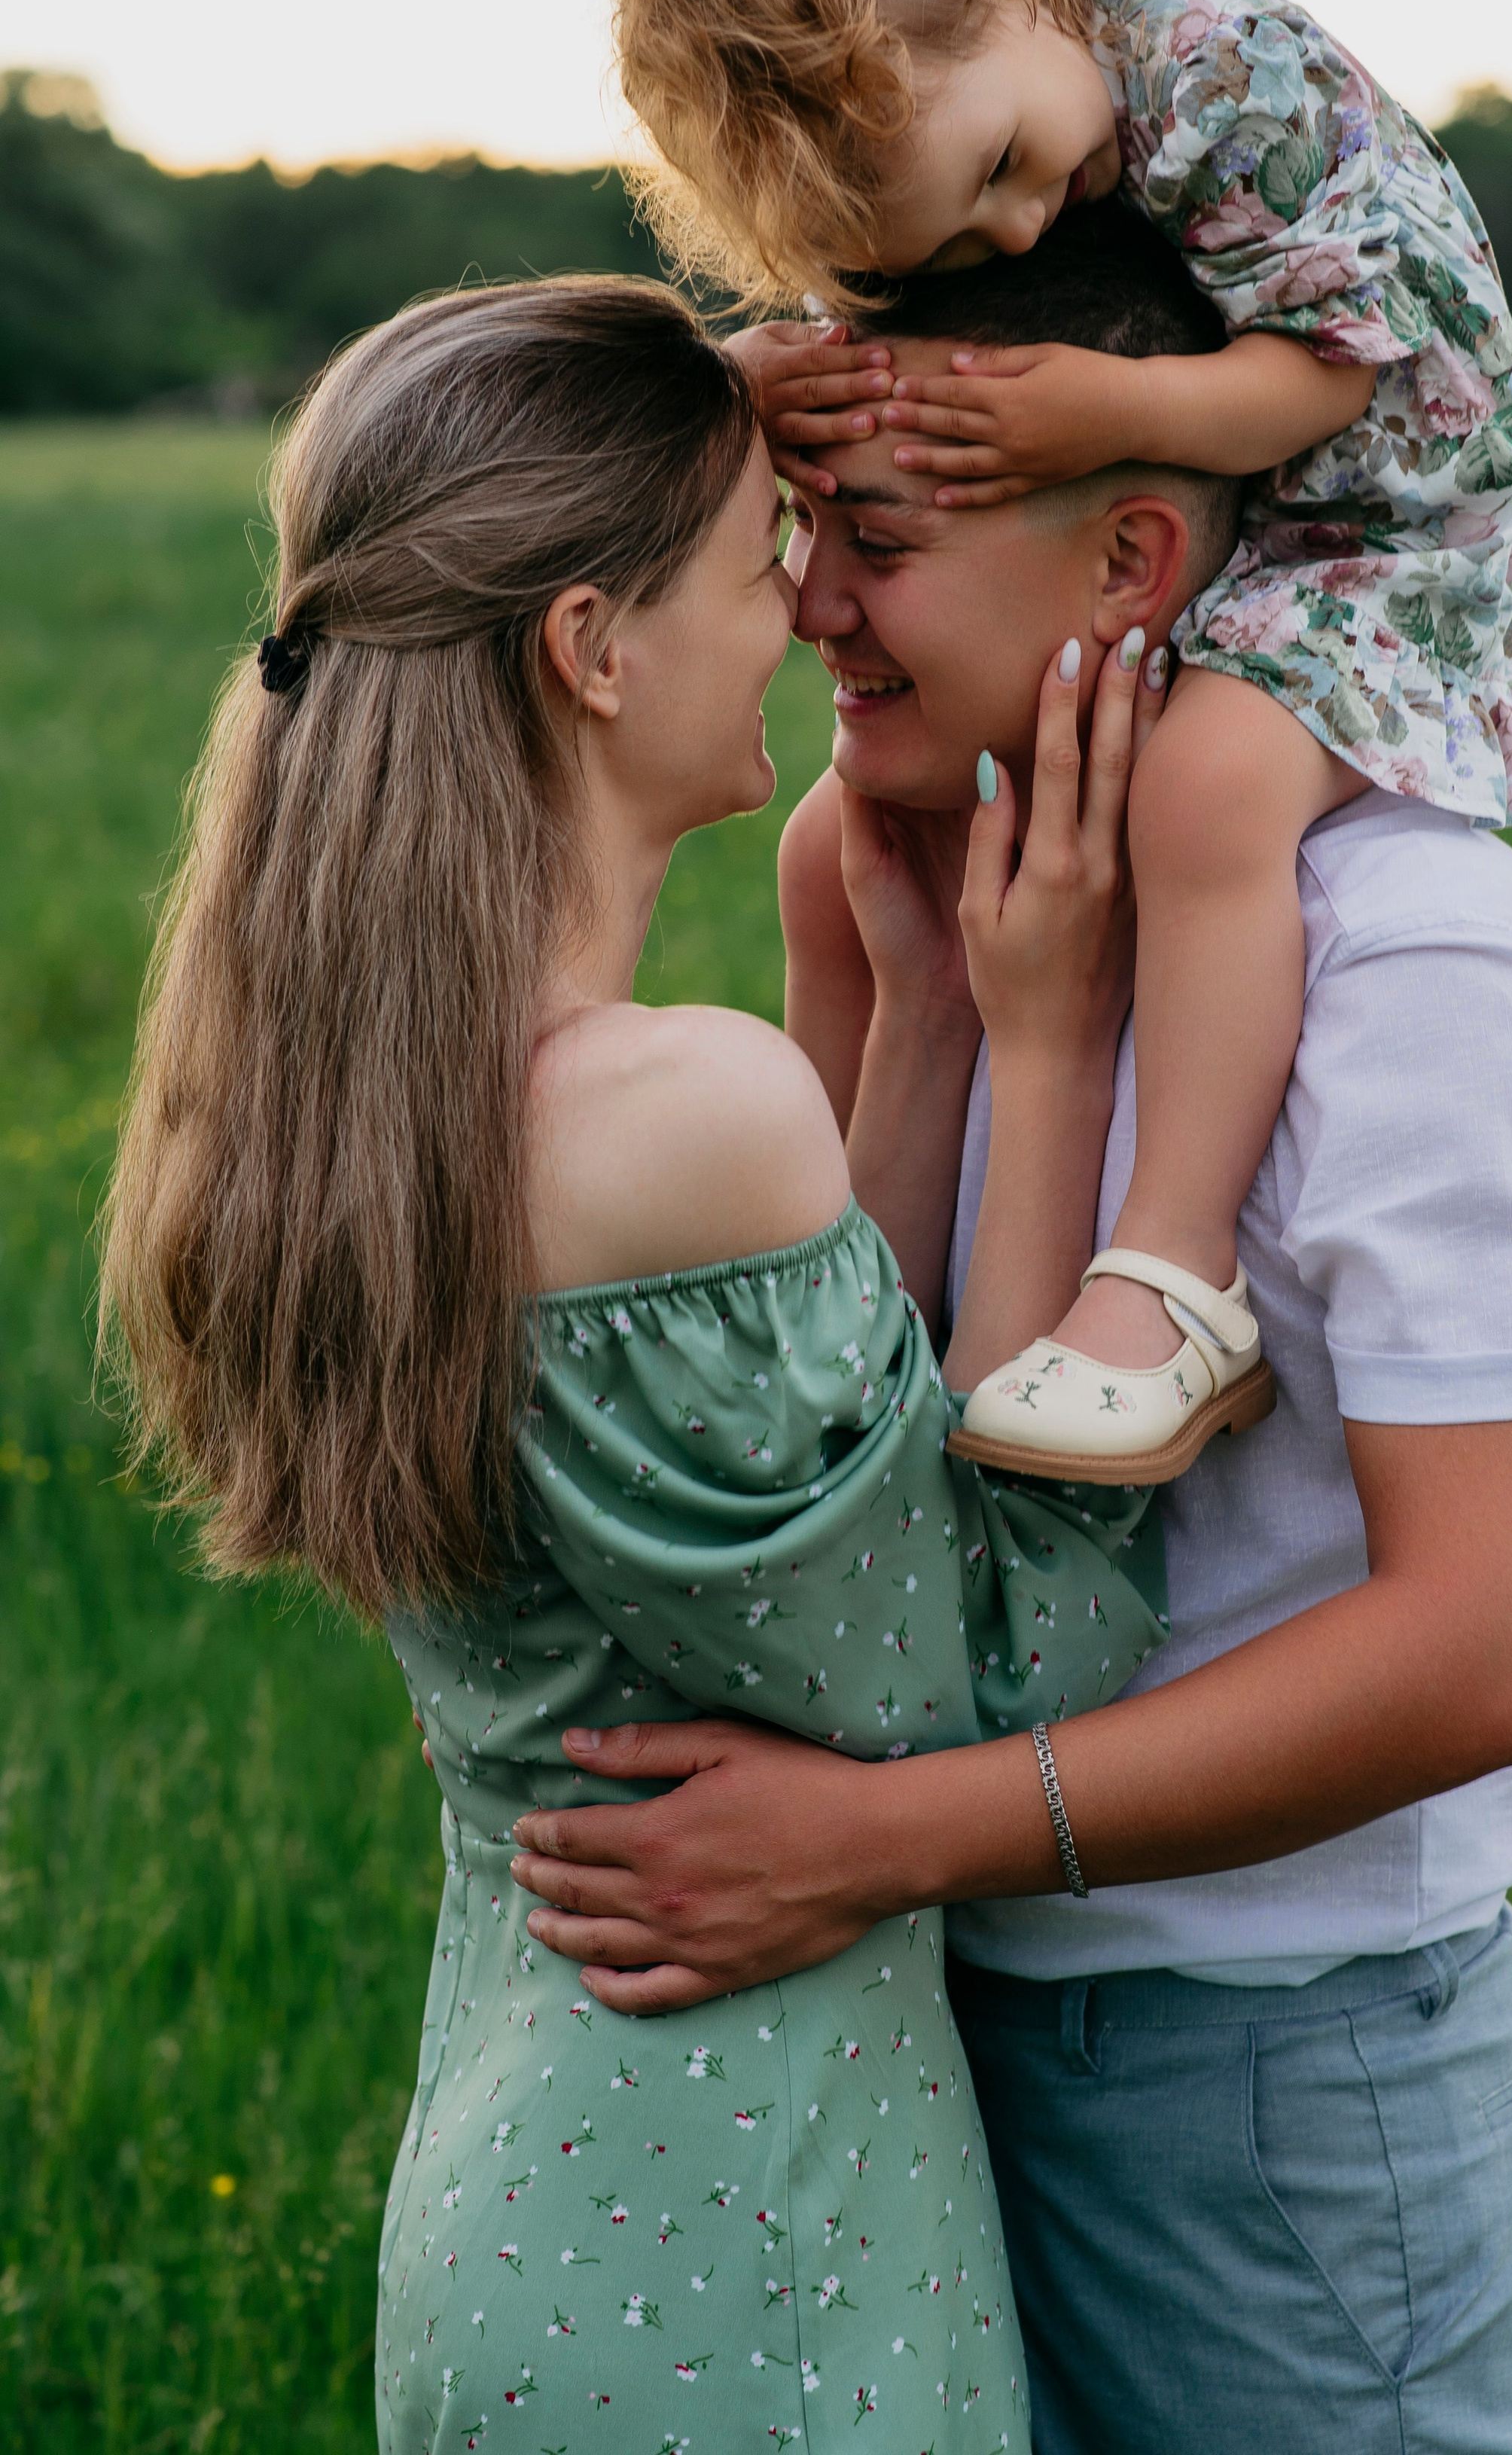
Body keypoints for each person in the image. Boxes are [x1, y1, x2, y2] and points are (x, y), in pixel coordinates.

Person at [508, 214, 1512, 2454]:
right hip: (920, 2027)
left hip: (1275, 2076)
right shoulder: (897, 876)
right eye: (801, 532)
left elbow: (1487, 1648)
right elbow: (878, 1479)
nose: (811, 605)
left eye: (883, 539)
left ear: (1134, 556)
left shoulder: (1422, 975)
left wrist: (886, 1839)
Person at [96, 273, 1179, 2455]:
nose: (803, 607)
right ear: (591, 649)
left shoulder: (337, 1105)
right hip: (748, 2248)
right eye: (754, 561)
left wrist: (932, 1012)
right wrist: (1054, 1050)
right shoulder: (675, 1110)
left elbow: (800, 1521)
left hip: (542, 2201)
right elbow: (998, 1653)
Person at [606, 0, 1512, 1481]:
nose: (1011, 239)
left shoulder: (1222, 69)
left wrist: (1113, 410)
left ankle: (1175, 1271)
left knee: (1211, 785)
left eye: (883, 539)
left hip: (1389, 520)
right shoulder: (985, 109)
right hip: (1232, 500)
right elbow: (814, 1444)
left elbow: (1337, 372)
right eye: (931, 255)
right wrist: (753, 377)